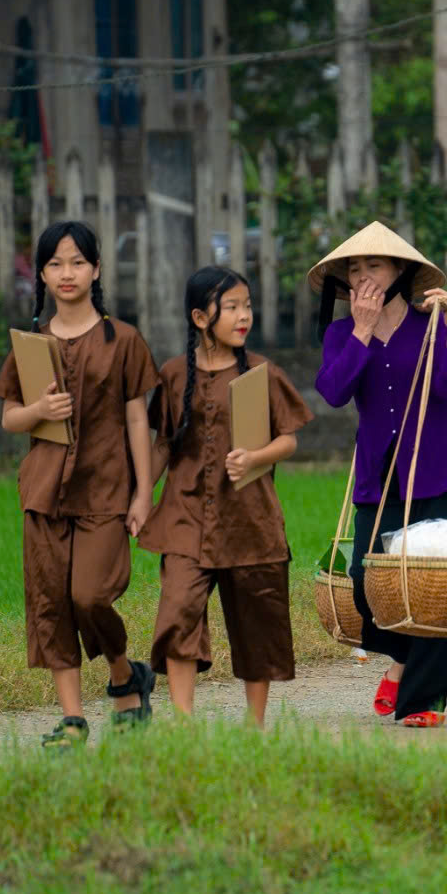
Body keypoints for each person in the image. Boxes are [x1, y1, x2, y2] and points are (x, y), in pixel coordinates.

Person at [311, 221, 447, 728]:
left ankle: (424, 700)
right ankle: (400, 658)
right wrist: (363, 330)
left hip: (439, 465)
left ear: (399, 272)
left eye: (374, 265)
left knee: (442, 585)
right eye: (353, 268)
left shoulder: (430, 322)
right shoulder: (340, 333)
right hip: (378, 471)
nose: (362, 276)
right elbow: (333, 391)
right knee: (366, 584)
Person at [0, 219, 159, 750]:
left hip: (106, 489)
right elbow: (10, 418)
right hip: (45, 492)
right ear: (42, 273)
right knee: (51, 605)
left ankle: (123, 673)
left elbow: (139, 421)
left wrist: (142, 494)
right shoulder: (30, 344)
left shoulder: (124, 340)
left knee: (90, 596)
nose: (67, 273)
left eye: (78, 262)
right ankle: (72, 719)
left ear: (96, 270)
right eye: (56, 264)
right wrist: (38, 409)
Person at [139, 265, 310, 725]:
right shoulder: (174, 375)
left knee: (258, 621)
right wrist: (141, 499)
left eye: (247, 306)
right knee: (177, 610)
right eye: (231, 307)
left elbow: (288, 440)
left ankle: (254, 726)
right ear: (200, 317)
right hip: (184, 514)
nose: (244, 316)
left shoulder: (262, 374)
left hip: (249, 519)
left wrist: (256, 458)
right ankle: (182, 724)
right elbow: (162, 443)